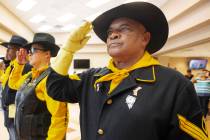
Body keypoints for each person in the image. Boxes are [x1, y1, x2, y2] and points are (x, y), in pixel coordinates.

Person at [46, 2, 209, 140]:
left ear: (145, 38)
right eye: (110, 32)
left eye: (124, 29)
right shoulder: (92, 77)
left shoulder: (174, 84)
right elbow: (56, 88)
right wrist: (67, 49)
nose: (113, 35)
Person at [8, 33, 68, 140]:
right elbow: (13, 84)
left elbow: (59, 119)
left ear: (47, 54)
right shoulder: (30, 76)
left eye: (33, 50)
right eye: (29, 51)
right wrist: (19, 64)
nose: (29, 54)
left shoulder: (51, 80)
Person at [0, 35, 31, 140]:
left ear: (19, 51)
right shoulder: (11, 66)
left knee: (15, 133)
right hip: (7, 107)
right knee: (10, 129)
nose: (7, 51)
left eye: (10, 49)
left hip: (15, 108)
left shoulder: (26, 67)